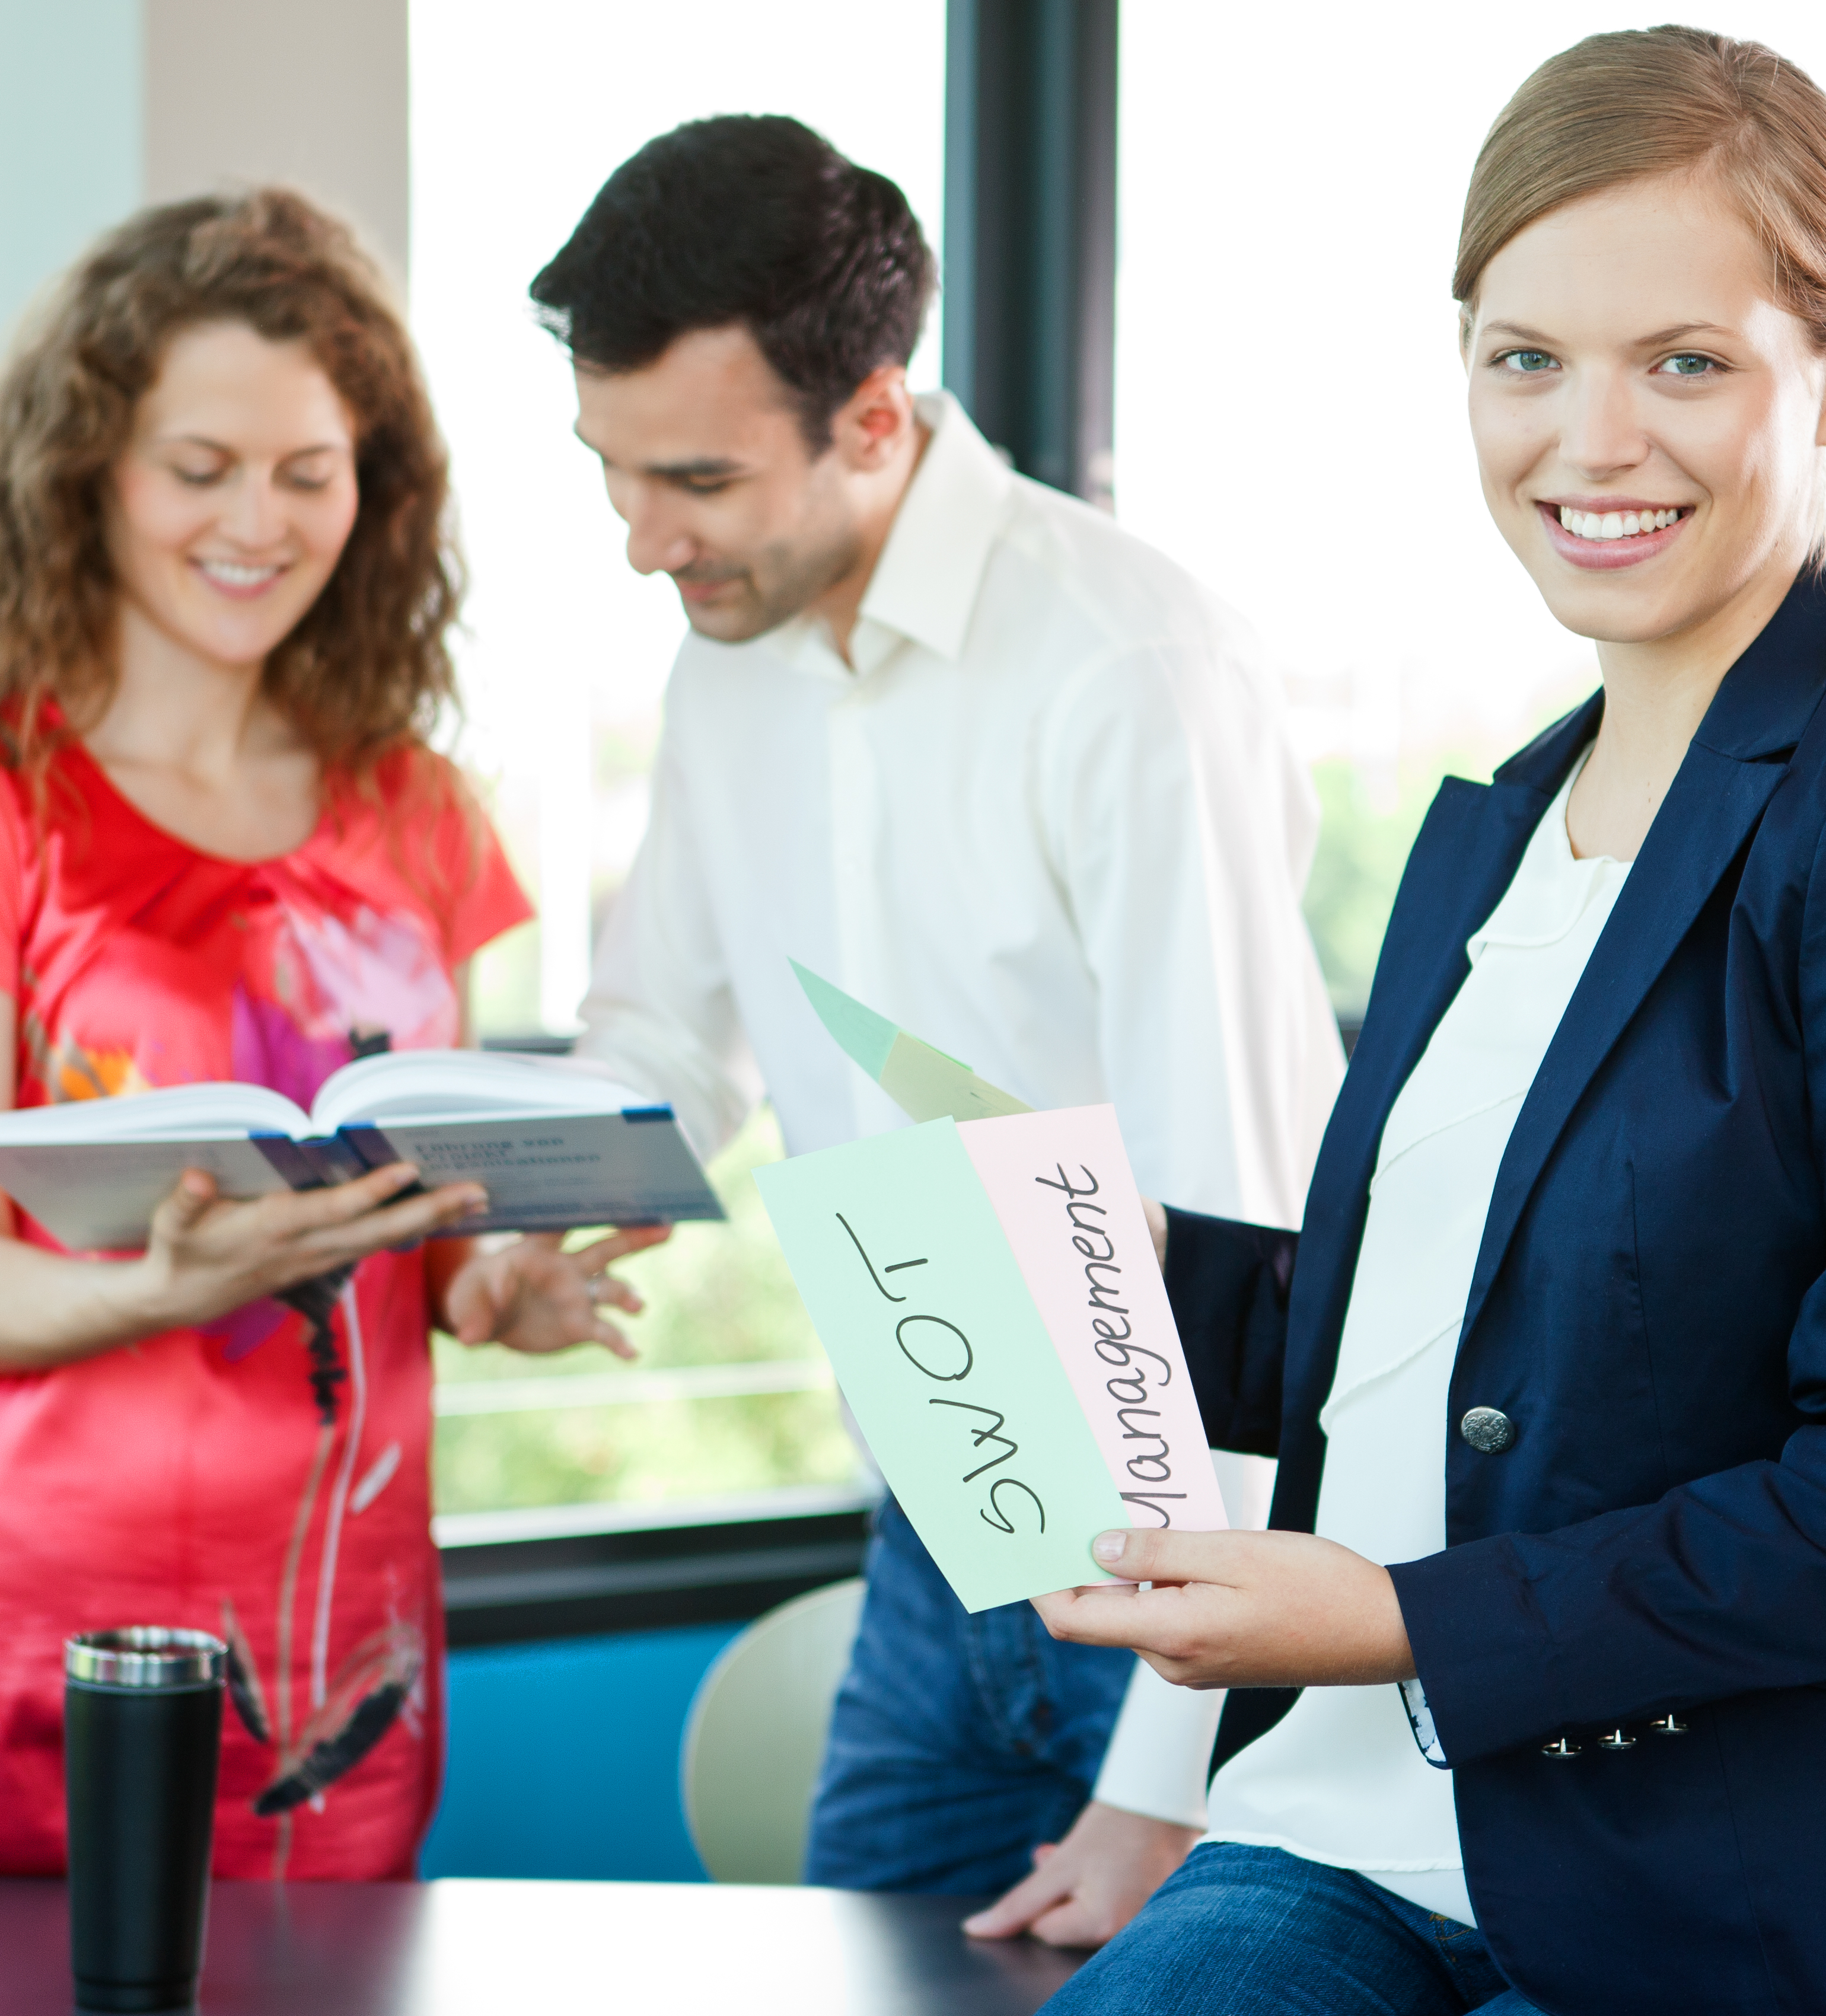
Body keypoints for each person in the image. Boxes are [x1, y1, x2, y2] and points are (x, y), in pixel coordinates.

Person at [1031, 28, 1826, 2015]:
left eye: (1682, 362)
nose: (1589, 442)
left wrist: (1409, 1621)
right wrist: (1125, 1278)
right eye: (1526, 360)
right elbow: (1469, 1342)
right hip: (1367, 1824)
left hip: (1762, 1862)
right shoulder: (1512, 821)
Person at [482, 114, 1344, 1942]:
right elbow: (666, 1036)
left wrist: (1164, 1785)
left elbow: (1251, 1246)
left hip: (1205, 1584)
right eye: (612, 474)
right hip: (946, 1535)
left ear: (873, 418)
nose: (643, 542)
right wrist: (523, 1217)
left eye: (695, 479)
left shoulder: (1130, 672)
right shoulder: (730, 665)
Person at [0, 189, 646, 1880]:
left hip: (335, 1652)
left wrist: (489, 1288)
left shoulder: (416, 810)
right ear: (90, 472)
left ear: (373, 486)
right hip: (18, 1643)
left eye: (306, 472)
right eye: (199, 469)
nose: (254, 523)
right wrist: (158, 1291)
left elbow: (397, 1213)